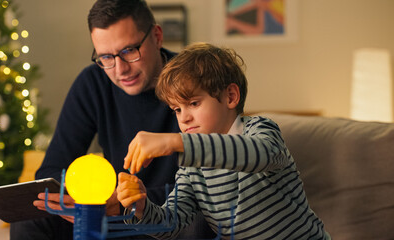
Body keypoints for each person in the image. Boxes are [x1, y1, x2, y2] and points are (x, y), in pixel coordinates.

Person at [10, 0, 215, 239]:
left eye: (129, 51)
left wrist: (132, 202)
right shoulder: (93, 83)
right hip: (111, 217)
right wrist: (87, 200)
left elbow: (215, 184)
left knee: (199, 220)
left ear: (157, 37)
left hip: (170, 217)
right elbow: (51, 170)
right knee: (31, 218)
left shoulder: (194, 81)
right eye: (106, 56)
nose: (119, 70)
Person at [117, 42, 330, 239]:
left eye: (193, 103)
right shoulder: (192, 168)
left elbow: (260, 154)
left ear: (230, 96)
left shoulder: (260, 130)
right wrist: (141, 207)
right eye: (176, 109)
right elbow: (172, 223)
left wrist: (175, 142)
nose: (184, 117)